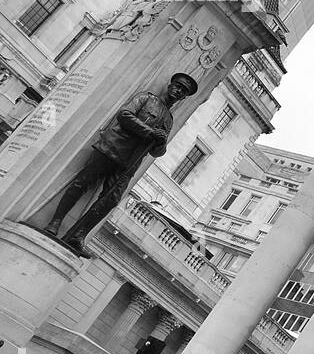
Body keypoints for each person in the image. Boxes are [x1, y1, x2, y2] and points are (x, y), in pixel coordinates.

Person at [40, 73, 198, 255]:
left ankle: (78, 235)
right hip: (111, 148)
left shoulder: (169, 120)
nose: (178, 91)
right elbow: (124, 114)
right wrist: (149, 132)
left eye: (183, 91)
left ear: (184, 97)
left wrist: (161, 142)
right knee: (82, 183)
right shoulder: (146, 98)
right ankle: (55, 222)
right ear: (170, 85)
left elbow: (157, 152)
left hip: (129, 164)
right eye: (178, 86)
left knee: (111, 200)